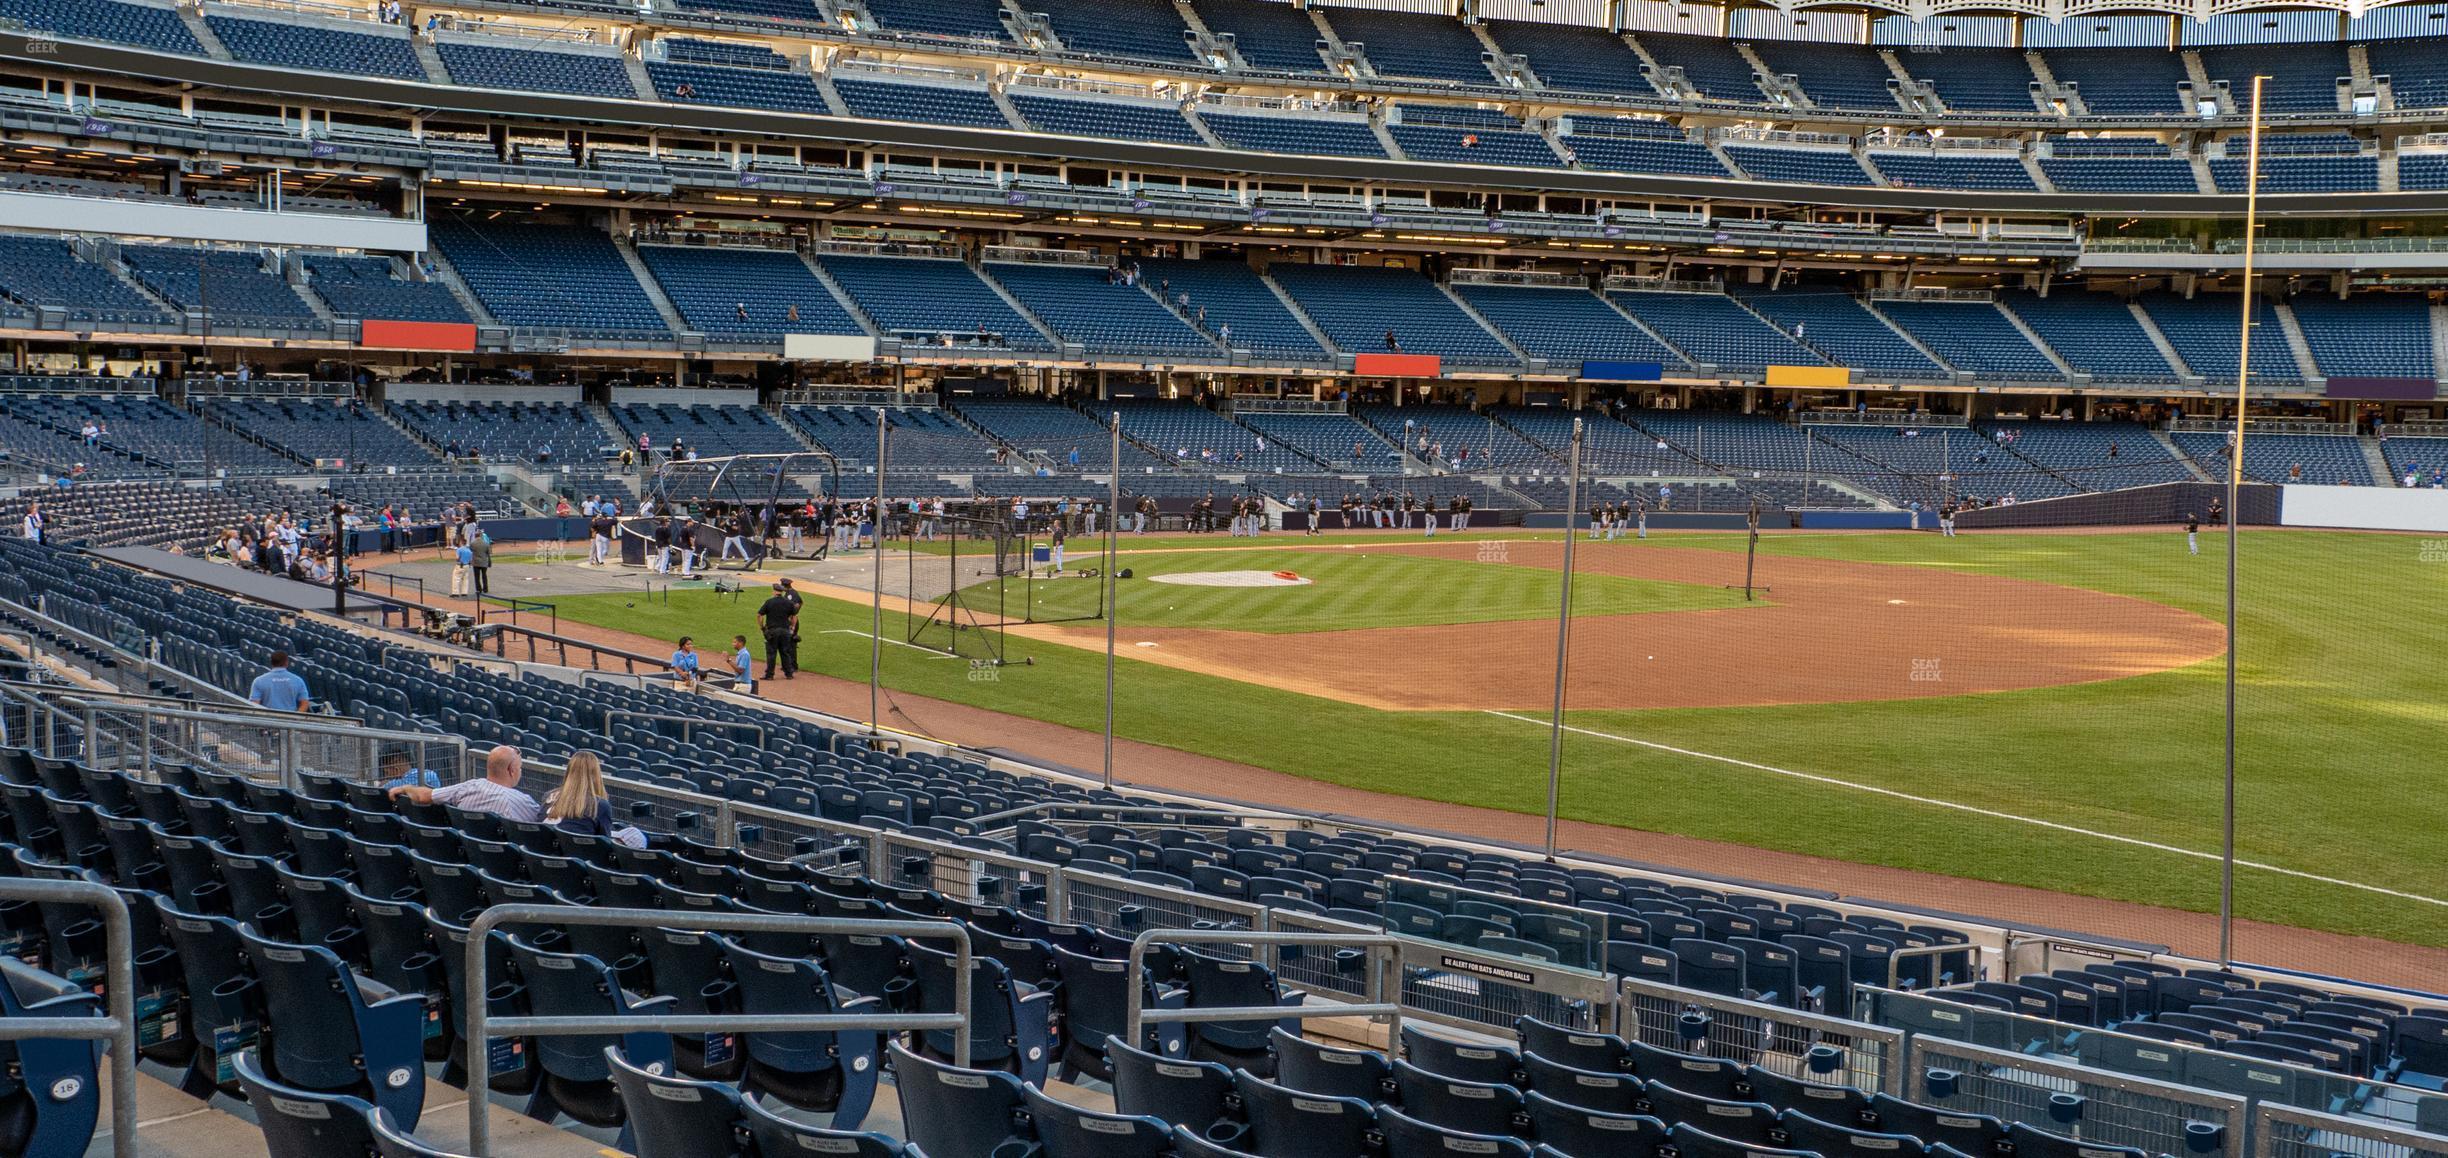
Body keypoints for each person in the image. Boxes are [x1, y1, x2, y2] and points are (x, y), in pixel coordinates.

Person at [389, 744, 540, 822]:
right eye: (519, 768)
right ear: (511, 770)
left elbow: (423, 796)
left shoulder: (468, 786)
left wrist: (405, 787)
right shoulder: (523, 801)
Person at [543, 751, 617, 837]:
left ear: (569, 771)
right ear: (596, 775)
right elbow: (606, 842)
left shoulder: (548, 795)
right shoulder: (600, 805)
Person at [759, 582, 799, 681]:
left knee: (771, 653)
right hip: (785, 631)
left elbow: (759, 615)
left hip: (773, 631)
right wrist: (792, 628)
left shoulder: (769, 602)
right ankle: (789, 673)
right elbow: (794, 616)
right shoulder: (789, 603)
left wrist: (762, 627)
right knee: (785, 652)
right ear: (781, 591)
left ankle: (769, 675)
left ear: (774, 591)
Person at [248, 651, 313, 712]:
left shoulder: (258, 681)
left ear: (271, 662)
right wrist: (296, 717)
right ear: (287, 662)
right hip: (290, 720)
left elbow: (255, 705)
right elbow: (305, 703)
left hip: (268, 720)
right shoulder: (298, 680)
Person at [470, 530, 493, 596]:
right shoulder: (486, 543)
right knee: (484, 575)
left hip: (476, 562)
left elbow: (471, 551)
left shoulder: (473, 543)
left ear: (475, 536)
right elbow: (489, 554)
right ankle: (485, 589)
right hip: (484, 562)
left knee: (477, 577)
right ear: (481, 536)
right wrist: (489, 562)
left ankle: (478, 589)